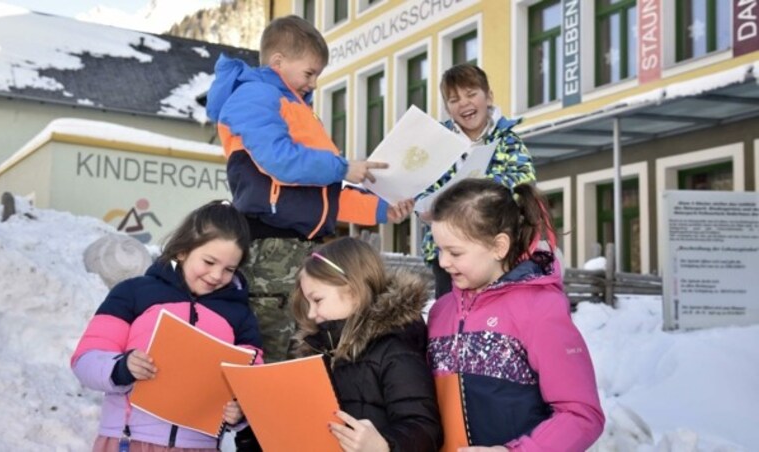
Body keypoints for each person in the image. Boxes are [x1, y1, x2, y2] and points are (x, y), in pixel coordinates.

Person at [206, 15, 413, 363]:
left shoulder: (297, 109)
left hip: (298, 248)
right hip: (270, 249)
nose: (313, 84)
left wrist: (380, 209)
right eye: (309, 73)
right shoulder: (255, 95)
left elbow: (321, 198)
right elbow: (279, 161)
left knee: (299, 351)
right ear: (278, 62)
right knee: (271, 353)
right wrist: (345, 166)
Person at [426, 179, 604, 451]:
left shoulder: (539, 309)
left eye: (455, 252)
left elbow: (581, 414)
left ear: (499, 246)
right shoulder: (441, 311)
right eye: (439, 249)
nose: (443, 261)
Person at [71, 200, 263, 451]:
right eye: (208, 262)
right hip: (129, 441)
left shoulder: (240, 316)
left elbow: (251, 385)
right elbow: (84, 361)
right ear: (182, 251)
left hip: (198, 446)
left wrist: (240, 410)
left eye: (229, 269)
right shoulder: (133, 293)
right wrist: (122, 367)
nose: (217, 275)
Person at [289, 237, 443, 452]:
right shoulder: (316, 347)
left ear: (352, 291)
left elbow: (424, 428)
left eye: (317, 300)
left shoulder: (394, 350)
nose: (311, 314)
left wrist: (385, 445)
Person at [417, 63, 536, 299]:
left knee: (497, 313)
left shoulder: (507, 140)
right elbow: (422, 187)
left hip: (496, 251)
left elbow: (524, 179)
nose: (464, 103)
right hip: (449, 253)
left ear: (488, 97)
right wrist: (424, 206)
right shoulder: (437, 143)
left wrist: (481, 191)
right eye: (454, 100)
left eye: (471, 94)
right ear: (447, 108)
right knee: (451, 318)